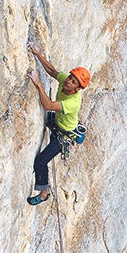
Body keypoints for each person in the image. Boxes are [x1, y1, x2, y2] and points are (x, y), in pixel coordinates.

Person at [27, 42, 90, 205]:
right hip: (57, 122)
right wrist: (36, 53)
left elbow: (48, 105)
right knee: (47, 118)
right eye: (70, 78)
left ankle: (44, 193)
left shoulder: (73, 102)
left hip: (62, 135)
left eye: (74, 82)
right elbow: (52, 71)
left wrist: (38, 84)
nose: (69, 81)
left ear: (77, 89)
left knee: (40, 161)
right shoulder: (65, 81)